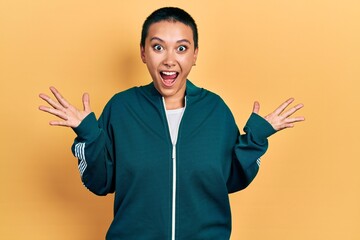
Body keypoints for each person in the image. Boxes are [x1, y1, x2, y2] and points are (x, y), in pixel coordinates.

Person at [39, 7, 304, 240]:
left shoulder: (215, 110)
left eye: (181, 48)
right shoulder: (121, 108)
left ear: (195, 54)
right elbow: (100, 182)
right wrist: (87, 134)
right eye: (158, 47)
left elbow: (231, 178)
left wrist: (256, 137)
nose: (169, 59)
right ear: (143, 53)